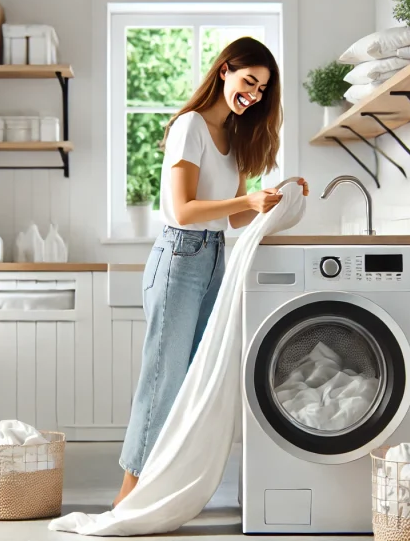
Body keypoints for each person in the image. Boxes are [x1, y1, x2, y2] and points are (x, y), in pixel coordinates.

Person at [115, 37, 308, 506]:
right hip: (179, 257)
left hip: (214, 256)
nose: (255, 94)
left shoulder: (236, 137)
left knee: (196, 380)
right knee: (162, 382)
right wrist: (247, 200)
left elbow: (235, 219)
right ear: (224, 71)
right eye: (249, 81)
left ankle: (165, 488)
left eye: (262, 88)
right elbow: (182, 211)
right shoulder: (190, 126)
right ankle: (127, 499)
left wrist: (277, 196)